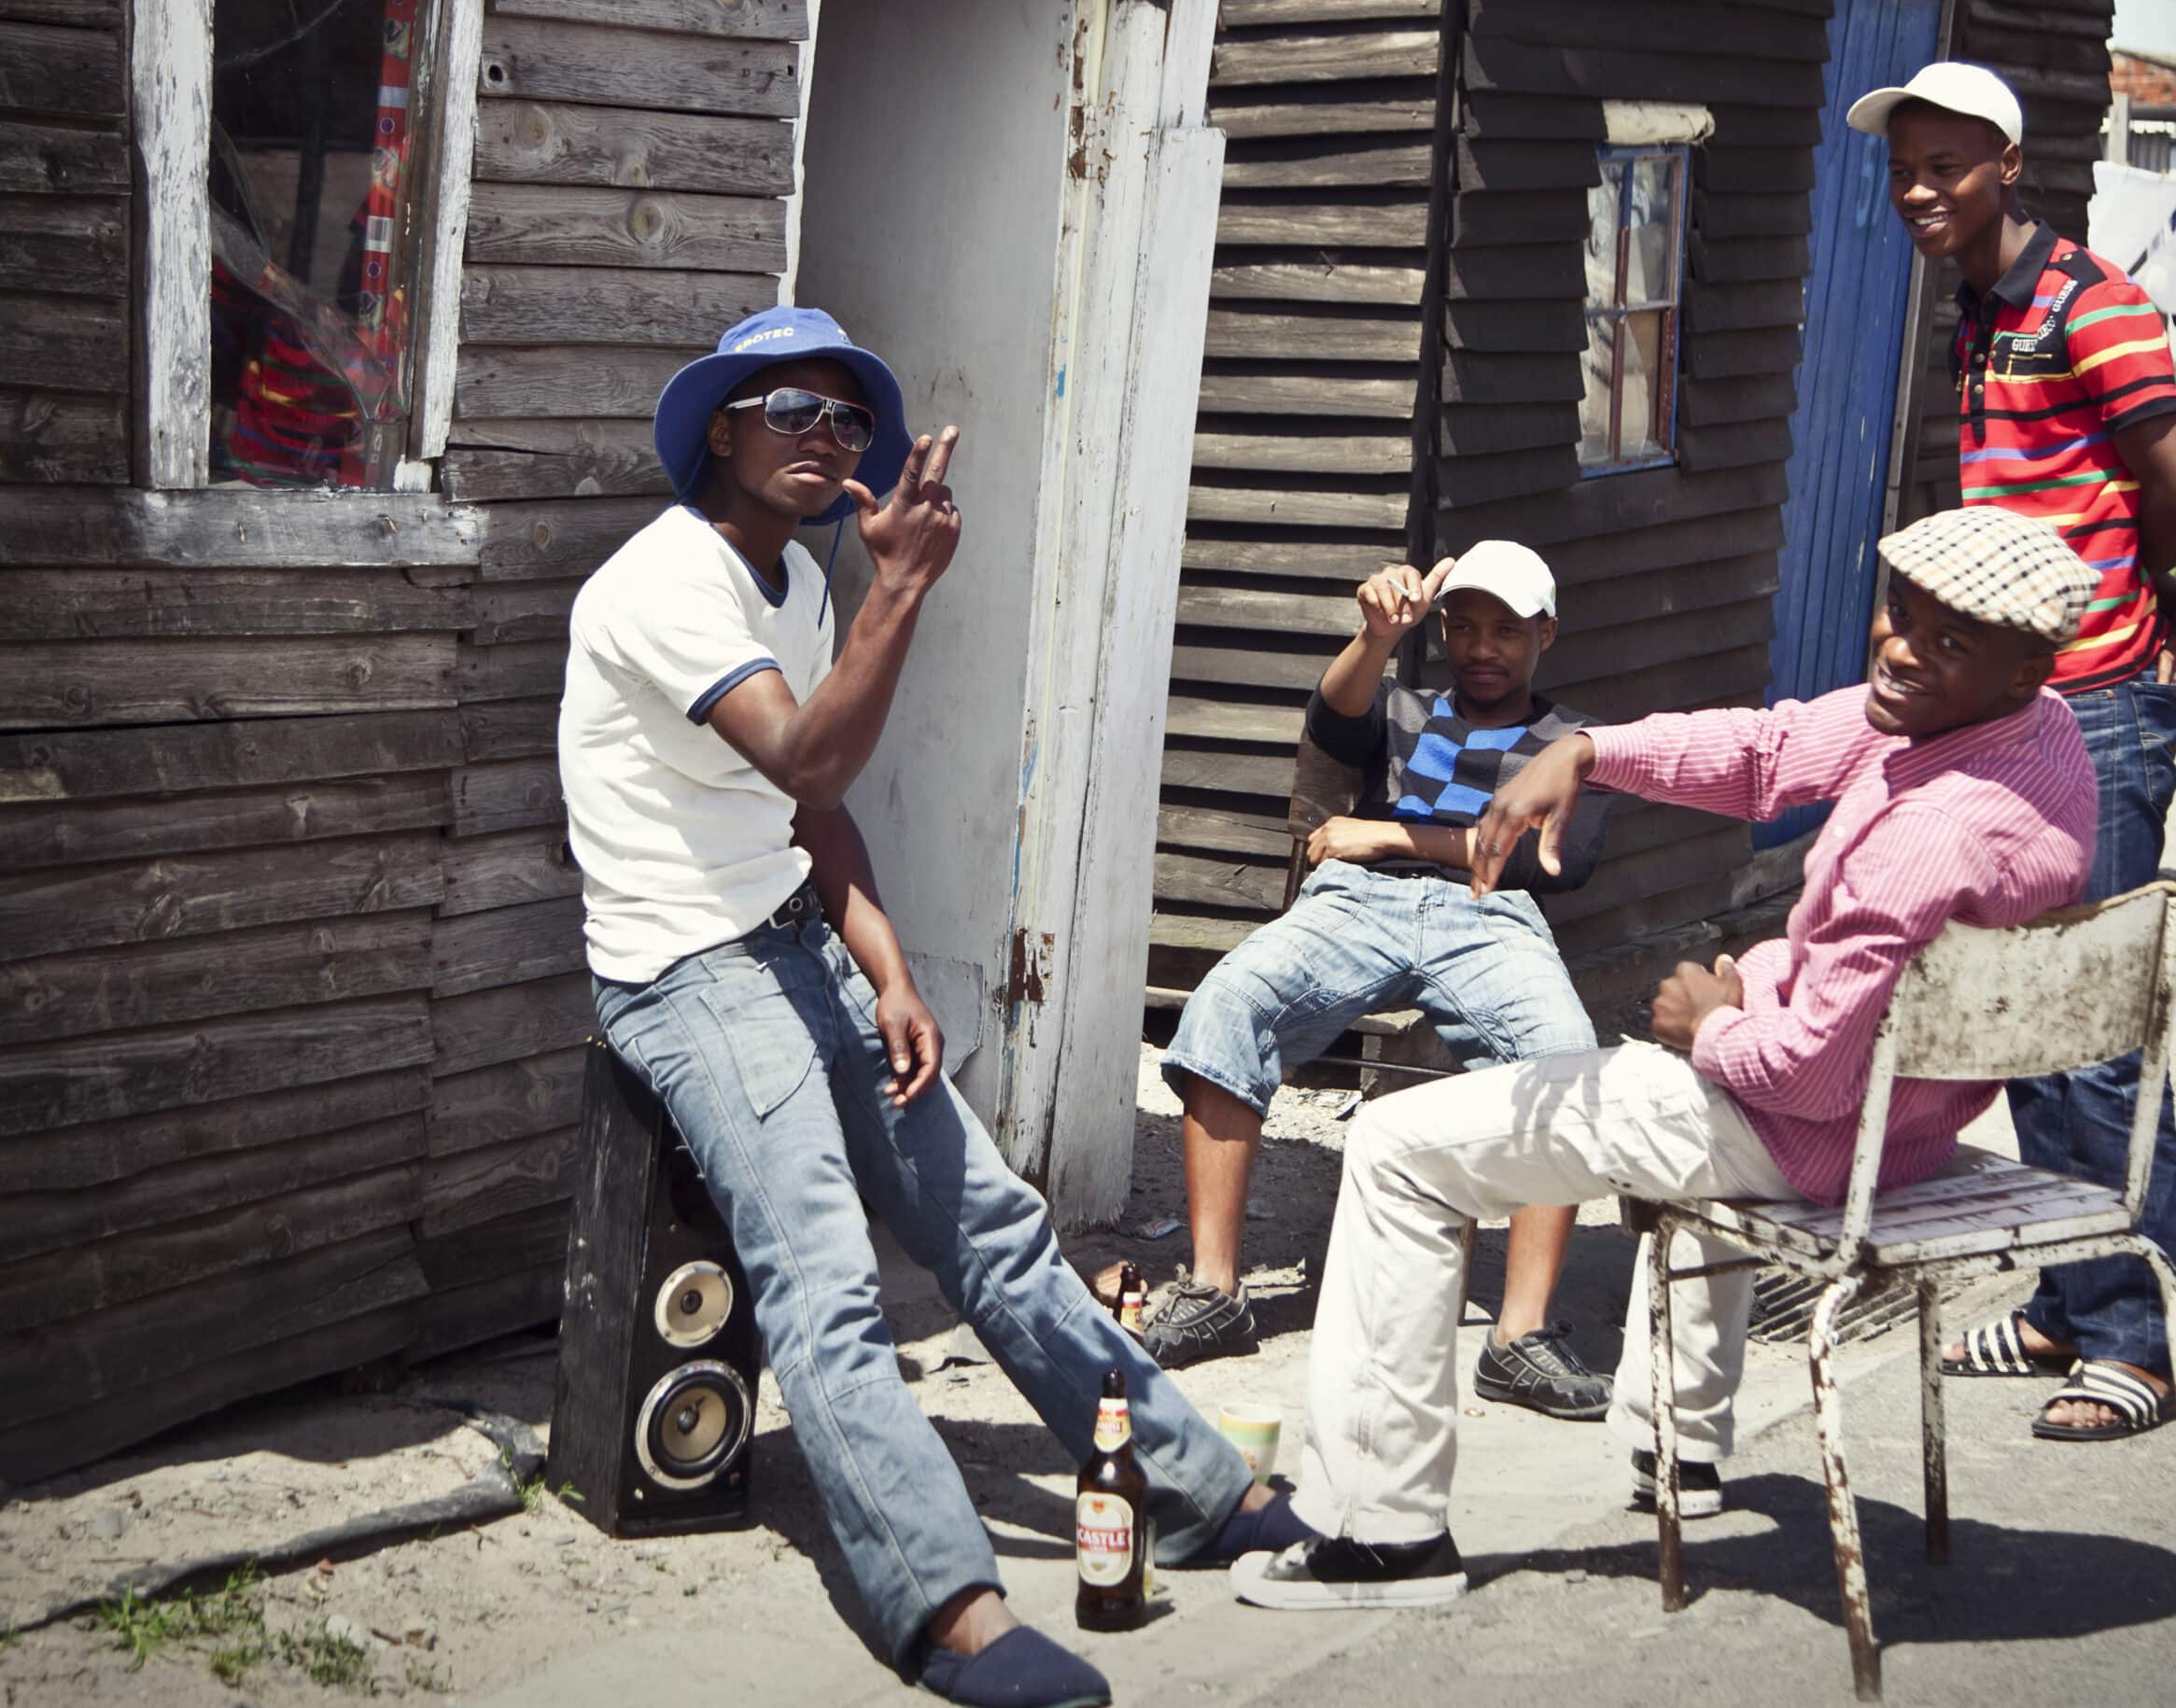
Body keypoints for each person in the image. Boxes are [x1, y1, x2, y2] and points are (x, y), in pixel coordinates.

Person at [559, 307, 1305, 1706]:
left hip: (790, 937)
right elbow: (811, 759)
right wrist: (903, 593)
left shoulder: (791, 580)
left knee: (997, 1234)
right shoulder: (665, 584)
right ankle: (951, 1609)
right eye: (793, 410)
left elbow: (808, 817)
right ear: (721, 428)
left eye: (848, 422)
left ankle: (1195, 1493)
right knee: (826, 1285)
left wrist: (887, 966)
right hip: (683, 971)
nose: (828, 440)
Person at [1232, 506, 2098, 1609]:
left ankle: (1378, 1536)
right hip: (1913, 1118)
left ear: (2027, 663)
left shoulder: (1944, 827)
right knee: (1736, 1002)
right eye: (1901, 615)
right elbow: (1769, 750)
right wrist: (1587, 751)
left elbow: (1810, 1076)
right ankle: (1676, 1446)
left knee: (1400, 1146)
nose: (1899, 647)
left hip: (1805, 1132)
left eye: (1949, 639)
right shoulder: (2032, 732)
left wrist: (1712, 1024)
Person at [1854, 61, 2176, 1442]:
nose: (1917, 192)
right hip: (2007, 710)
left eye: (1943, 167)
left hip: (2098, 709)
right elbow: (2055, 497)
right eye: (1903, 170)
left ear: (2009, 164)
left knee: (2095, 1030)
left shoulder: (2092, 305)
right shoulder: (1979, 310)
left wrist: (2138, 598)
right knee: (2018, 1019)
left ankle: (2140, 1334)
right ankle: (2074, 1295)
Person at [1148, 541, 1613, 1421]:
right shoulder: (1400, 706)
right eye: (1464, 626)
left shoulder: (1568, 741)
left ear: (1546, 634)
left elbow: (1558, 860)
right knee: (1227, 1004)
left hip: (1489, 915)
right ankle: (1214, 1289)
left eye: (1507, 630)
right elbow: (1332, 726)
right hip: (1356, 904)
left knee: (1565, 1055)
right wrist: (1372, 638)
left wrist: (1385, 834)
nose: (1483, 647)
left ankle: (1519, 1337)